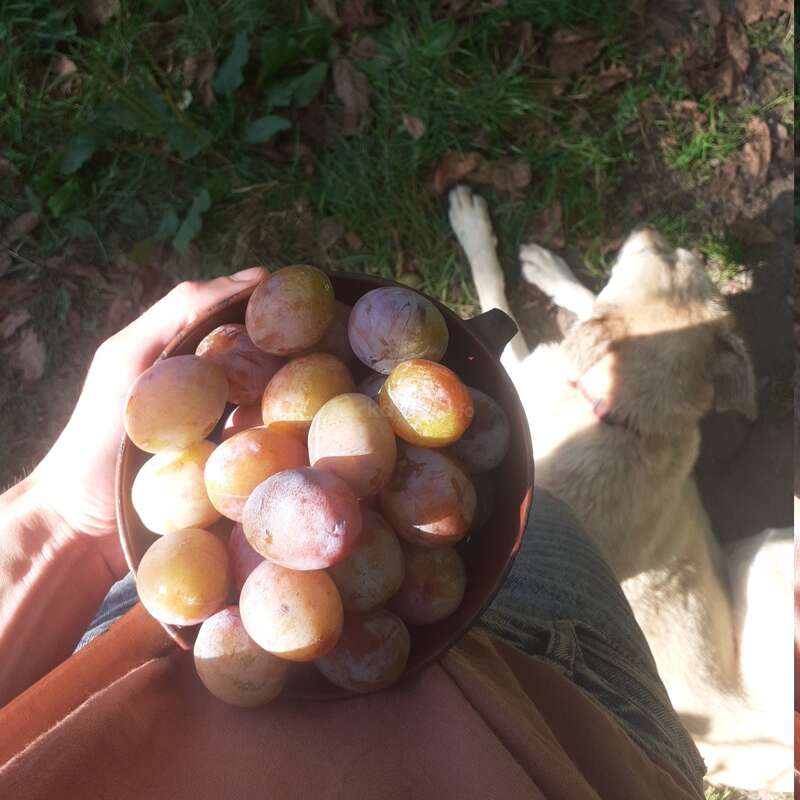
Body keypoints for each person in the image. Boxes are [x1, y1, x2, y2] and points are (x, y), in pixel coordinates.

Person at [0, 269, 705, 799]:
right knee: (549, 525)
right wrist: (50, 521)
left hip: (121, 680)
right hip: (555, 737)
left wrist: (61, 521)